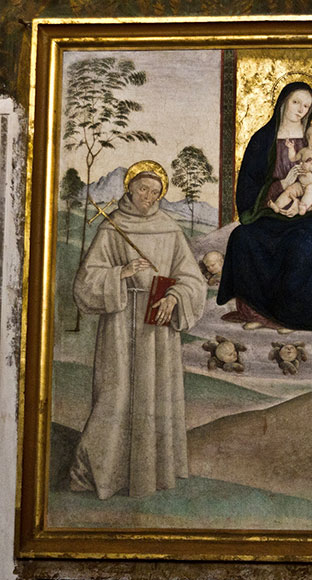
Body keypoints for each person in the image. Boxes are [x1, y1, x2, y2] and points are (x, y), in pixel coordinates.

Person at [69, 160, 206, 500]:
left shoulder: (170, 229)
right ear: (129, 189)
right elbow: (85, 282)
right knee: (114, 395)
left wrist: (174, 297)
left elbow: (192, 279)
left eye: (155, 192)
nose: (148, 196)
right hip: (120, 322)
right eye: (143, 189)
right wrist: (122, 273)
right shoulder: (111, 227)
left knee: (156, 394)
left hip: (158, 323)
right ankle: (98, 472)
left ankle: (150, 473)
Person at [217, 81, 312, 332]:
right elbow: (248, 190)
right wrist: (281, 185)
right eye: (296, 102)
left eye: (307, 106)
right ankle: (258, 312)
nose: (301, 109)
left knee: (301, 242)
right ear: (283, 101)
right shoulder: (262, 140)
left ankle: (292, 317)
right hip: (273, 213)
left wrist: (310, 201)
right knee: (243, 236)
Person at [268, 124, 312, 215]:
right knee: (290, 190)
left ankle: (303, 206)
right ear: (309, 137)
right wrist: (291, 148)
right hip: (302, 183)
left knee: (311, 189)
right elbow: (293, 158)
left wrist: (310, 167)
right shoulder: (303, 151)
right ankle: (277, 205)